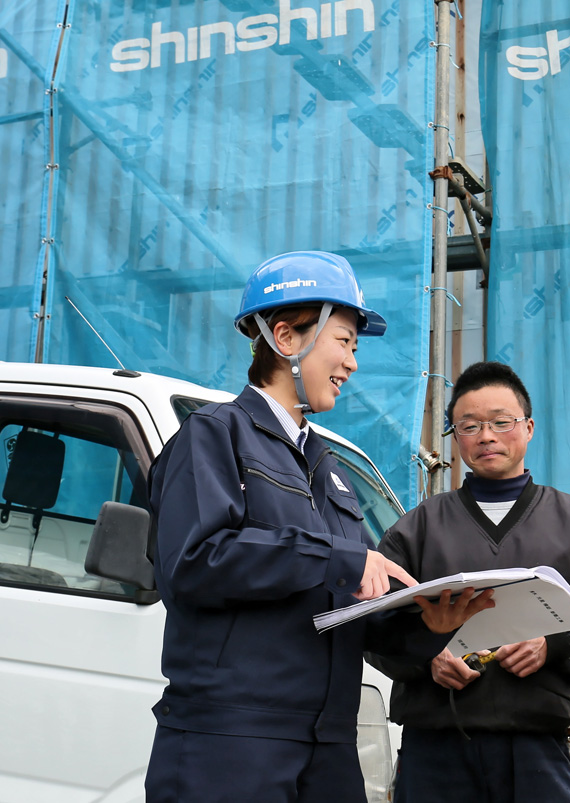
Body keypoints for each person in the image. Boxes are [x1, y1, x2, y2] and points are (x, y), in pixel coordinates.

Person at [145, 251, 494, 803]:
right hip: (232, 739)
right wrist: (335, 558)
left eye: (354, 347)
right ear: (286, 337)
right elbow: (193, 562)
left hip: (328, 745)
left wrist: (430, 624)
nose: (353, 362)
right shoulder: (213, 437)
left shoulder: (328, 470)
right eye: (344, 341)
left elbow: (348, 609)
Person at [367, 361, 570, 802]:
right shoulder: (416, 530)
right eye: (469, 426)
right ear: (455, 438)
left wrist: (551, 646)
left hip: (542, 747)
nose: (486, 436)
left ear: (528, 427)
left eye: (501, 422)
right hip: (435, 748)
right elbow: (374, 628)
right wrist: (427, 656)